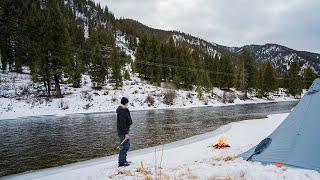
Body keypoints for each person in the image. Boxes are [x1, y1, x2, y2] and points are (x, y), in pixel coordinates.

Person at [116, 97, 133, 167]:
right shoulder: (122, 111)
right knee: (124, 146)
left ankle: (124, 160)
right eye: (127, 102)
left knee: (126, 145)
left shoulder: (124, 109)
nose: (128, 103)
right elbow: (122, 123)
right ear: (125, 102)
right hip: (123, 132)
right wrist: (126, 133)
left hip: (124, 131)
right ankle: (121, 162)